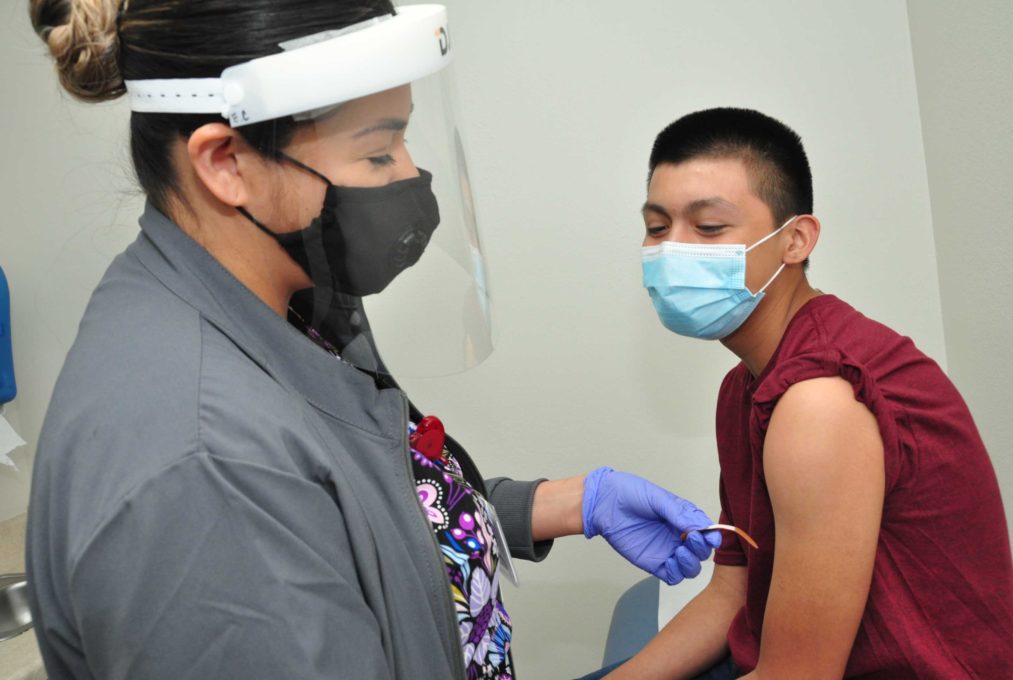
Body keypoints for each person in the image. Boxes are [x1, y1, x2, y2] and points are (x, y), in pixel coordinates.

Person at [24, 2, 720, 679]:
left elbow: (351, 519)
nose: (410, 175)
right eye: (379, 150)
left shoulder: (281, 302)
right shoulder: (201, 469)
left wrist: (567, 503)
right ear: (226, 161)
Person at [601, 108, 1013, 679]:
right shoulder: (746, 387)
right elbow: (732, 594)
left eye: (707, 229)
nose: (672, 250)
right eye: (657, 227)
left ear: (795, 239)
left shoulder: (820, 400)